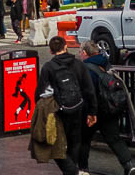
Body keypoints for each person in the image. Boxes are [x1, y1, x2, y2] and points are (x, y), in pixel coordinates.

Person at [37, 36, 97, 175]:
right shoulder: (78, 64)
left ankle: (73, 172)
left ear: (51, 51)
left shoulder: (48, 68)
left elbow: (40, 93)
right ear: (66, 47)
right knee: (75, 142)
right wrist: (92, 112)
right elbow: (89, 90)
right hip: (77, 109)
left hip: (57, 111)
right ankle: (73, 170)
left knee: (55, 145)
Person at [79, 51, 135, 175]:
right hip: (109, 109)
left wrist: (89, 112)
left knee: (84, 139)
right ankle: (128, 164)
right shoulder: (106, 64)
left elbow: (88, 92)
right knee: (114, 139)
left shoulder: (86, 68)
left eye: (80, 51)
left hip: (94, 111)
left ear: (85, 53)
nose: (80, 54)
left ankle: (83, 168)